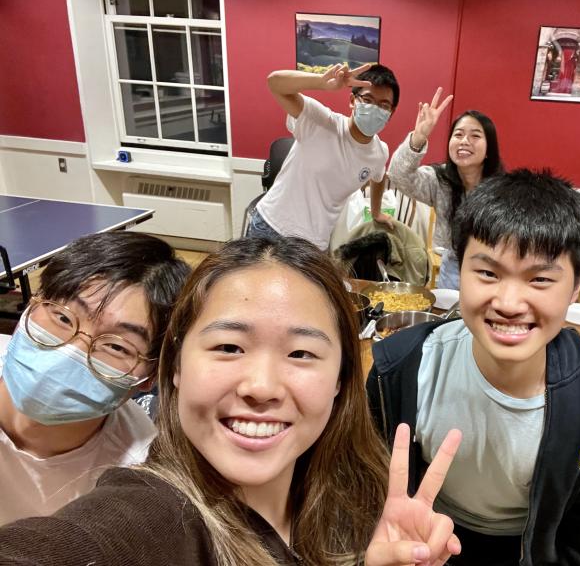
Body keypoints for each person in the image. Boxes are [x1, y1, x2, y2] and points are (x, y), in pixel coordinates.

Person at [0, 236, 463, 566]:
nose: (261, 386)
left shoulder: (358, 498)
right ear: (174, 368)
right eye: (228, 347)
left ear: (342, 378)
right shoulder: (155, 512)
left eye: (301, 353)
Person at [367, 169, 580, 565]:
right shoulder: (400, 369)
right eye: (487, 273)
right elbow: (370, 492)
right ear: (458, 271)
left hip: (531, 550)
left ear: (577, 286)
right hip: (418, 535)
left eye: (540, 279)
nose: (510, 302)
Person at [0, 231, 190, 525]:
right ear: (31, 306)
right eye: (63, 318)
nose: (69, 352)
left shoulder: (136, 476)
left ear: (149, 378)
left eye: (116, 346)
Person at [247, 63, 399, 251]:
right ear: (353, 100)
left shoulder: (379, 151)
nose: (374, 108)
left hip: (315, 244)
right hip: (272, 229)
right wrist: (321, 82)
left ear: (390, 113)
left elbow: (378, 177)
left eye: (383, 105)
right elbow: (274, 83)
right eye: (367, 99)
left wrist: (376, 212)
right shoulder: (321, 122)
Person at [387, 88, 502, 288]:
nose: (464, 141)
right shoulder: (440, 180)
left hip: (492, 270)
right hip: (453, 266)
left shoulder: (503, 189)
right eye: (458, 134)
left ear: (488, 150)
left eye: (475, 136)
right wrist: (419, 136)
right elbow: (399, 176)